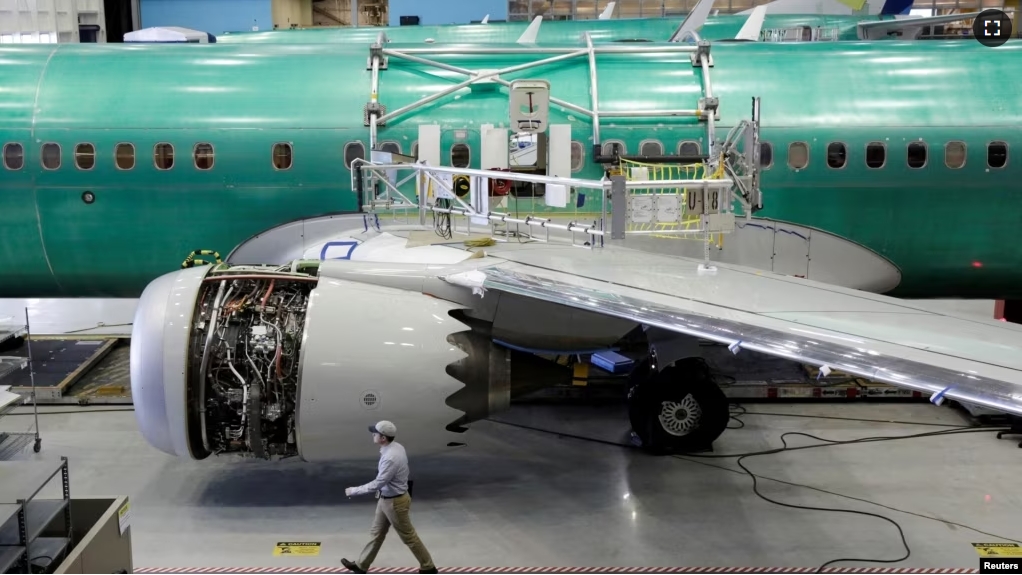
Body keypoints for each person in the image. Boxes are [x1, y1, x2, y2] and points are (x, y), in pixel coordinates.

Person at [341, 421, 437, 574]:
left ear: (383, 438)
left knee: (409, 537)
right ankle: (361, 565)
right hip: (386, 499)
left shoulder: (390, 458)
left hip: (395, 503)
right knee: (376, 533)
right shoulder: (396, 447)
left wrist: (354, 491)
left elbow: (378, 483)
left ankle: (428, 567)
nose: (373, 434)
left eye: (375, 433)